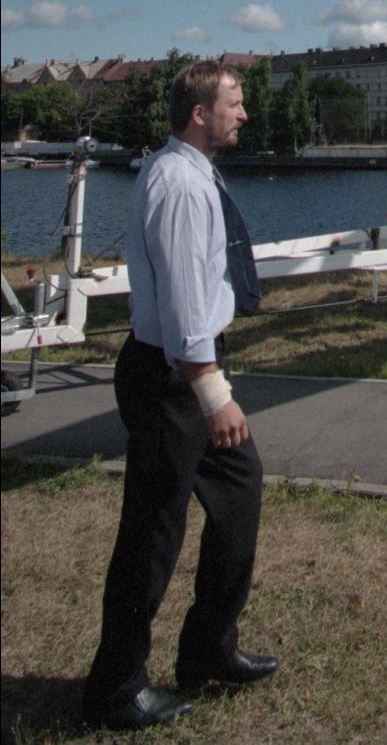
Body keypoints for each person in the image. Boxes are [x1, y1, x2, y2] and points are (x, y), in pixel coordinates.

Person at [82, 61, 277, 731]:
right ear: (200, 114)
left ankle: (208, 649)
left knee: (238, 491)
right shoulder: (181, 185)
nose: (243, 114)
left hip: (183, 371)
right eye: (234, 103)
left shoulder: (189, 172)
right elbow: (186, 304)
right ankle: (115, 689)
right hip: (173, 379)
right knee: (151, 535)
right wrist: (213, 393)